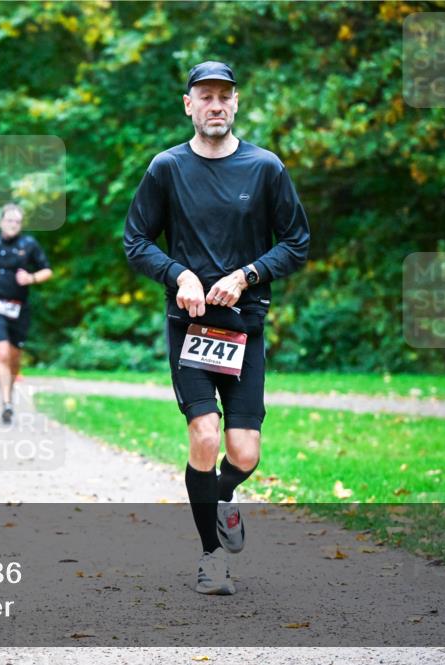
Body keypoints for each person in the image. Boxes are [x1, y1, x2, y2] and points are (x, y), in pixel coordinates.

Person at [123, 61, 310, 595]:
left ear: (236, 103)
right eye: (204, 96)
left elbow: (297, 242)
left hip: (245, 327)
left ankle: (220, 496)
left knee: (244, 452)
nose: (215, 105)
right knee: (204, 436)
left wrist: (249, 275)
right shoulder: (167, 168)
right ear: (189, 105)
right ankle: (211, 557)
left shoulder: (265, 167)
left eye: (224, 97)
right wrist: (178, 273)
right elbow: (136, 240)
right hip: (191, 328)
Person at [0, 203, 52, 424]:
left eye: (17, 222)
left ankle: (9, 392)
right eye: (9, 220)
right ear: (1, 222)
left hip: (20, 307)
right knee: (2, 353)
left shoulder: (29, 244)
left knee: (15, 357)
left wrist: (31, 278)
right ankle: (7, 403)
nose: (13, 225)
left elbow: (47, 270)